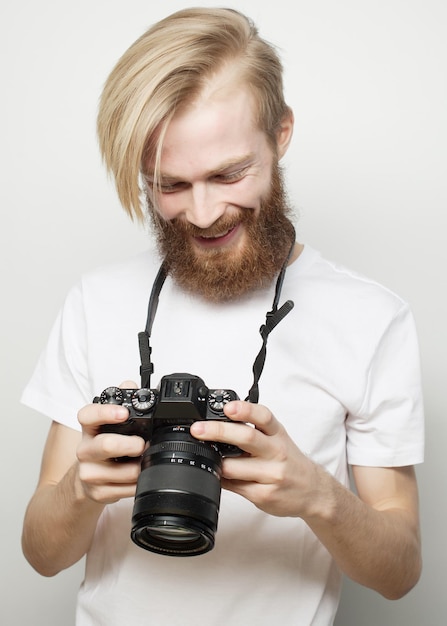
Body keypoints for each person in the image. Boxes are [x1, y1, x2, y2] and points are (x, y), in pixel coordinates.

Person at [21, 7, 424, 626]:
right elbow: (43, 556)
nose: (204, 213)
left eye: (229, 174)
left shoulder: (372, 318)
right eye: (170, 184)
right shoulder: (94, 301)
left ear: (281, 134)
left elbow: (399, 574)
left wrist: (318, 496)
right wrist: (81, 490)